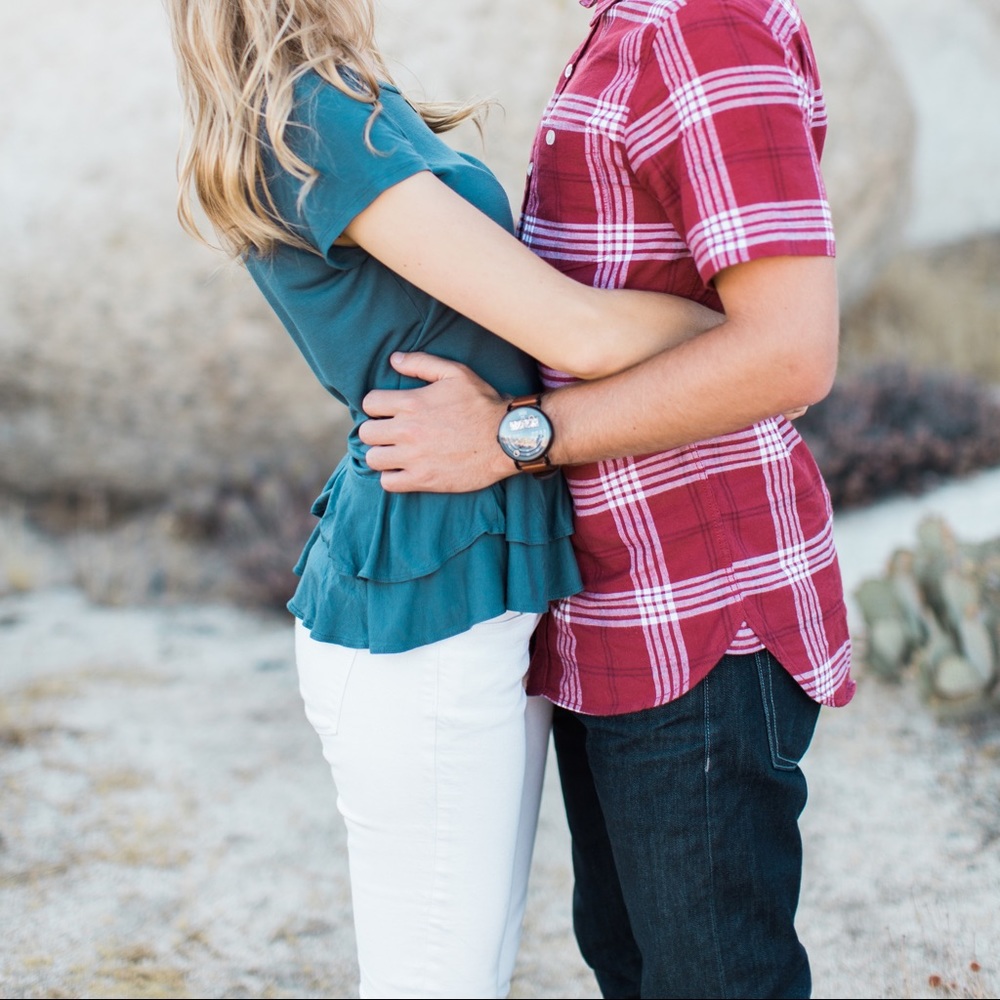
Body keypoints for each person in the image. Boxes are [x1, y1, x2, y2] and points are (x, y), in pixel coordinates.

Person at [163, 2, 738, 996]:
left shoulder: (338, 102)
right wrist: (740, 330)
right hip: (422, 603)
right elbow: (579, 335)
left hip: (462, 572)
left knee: (464, 964)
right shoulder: (312, 125)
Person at [357, 1, 856, 997]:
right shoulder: (624, 25)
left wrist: (512, 436)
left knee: (712, 978)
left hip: (701, 607)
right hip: (617, 607)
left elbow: (790, 351)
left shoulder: (701, 30)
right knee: (631, 961)